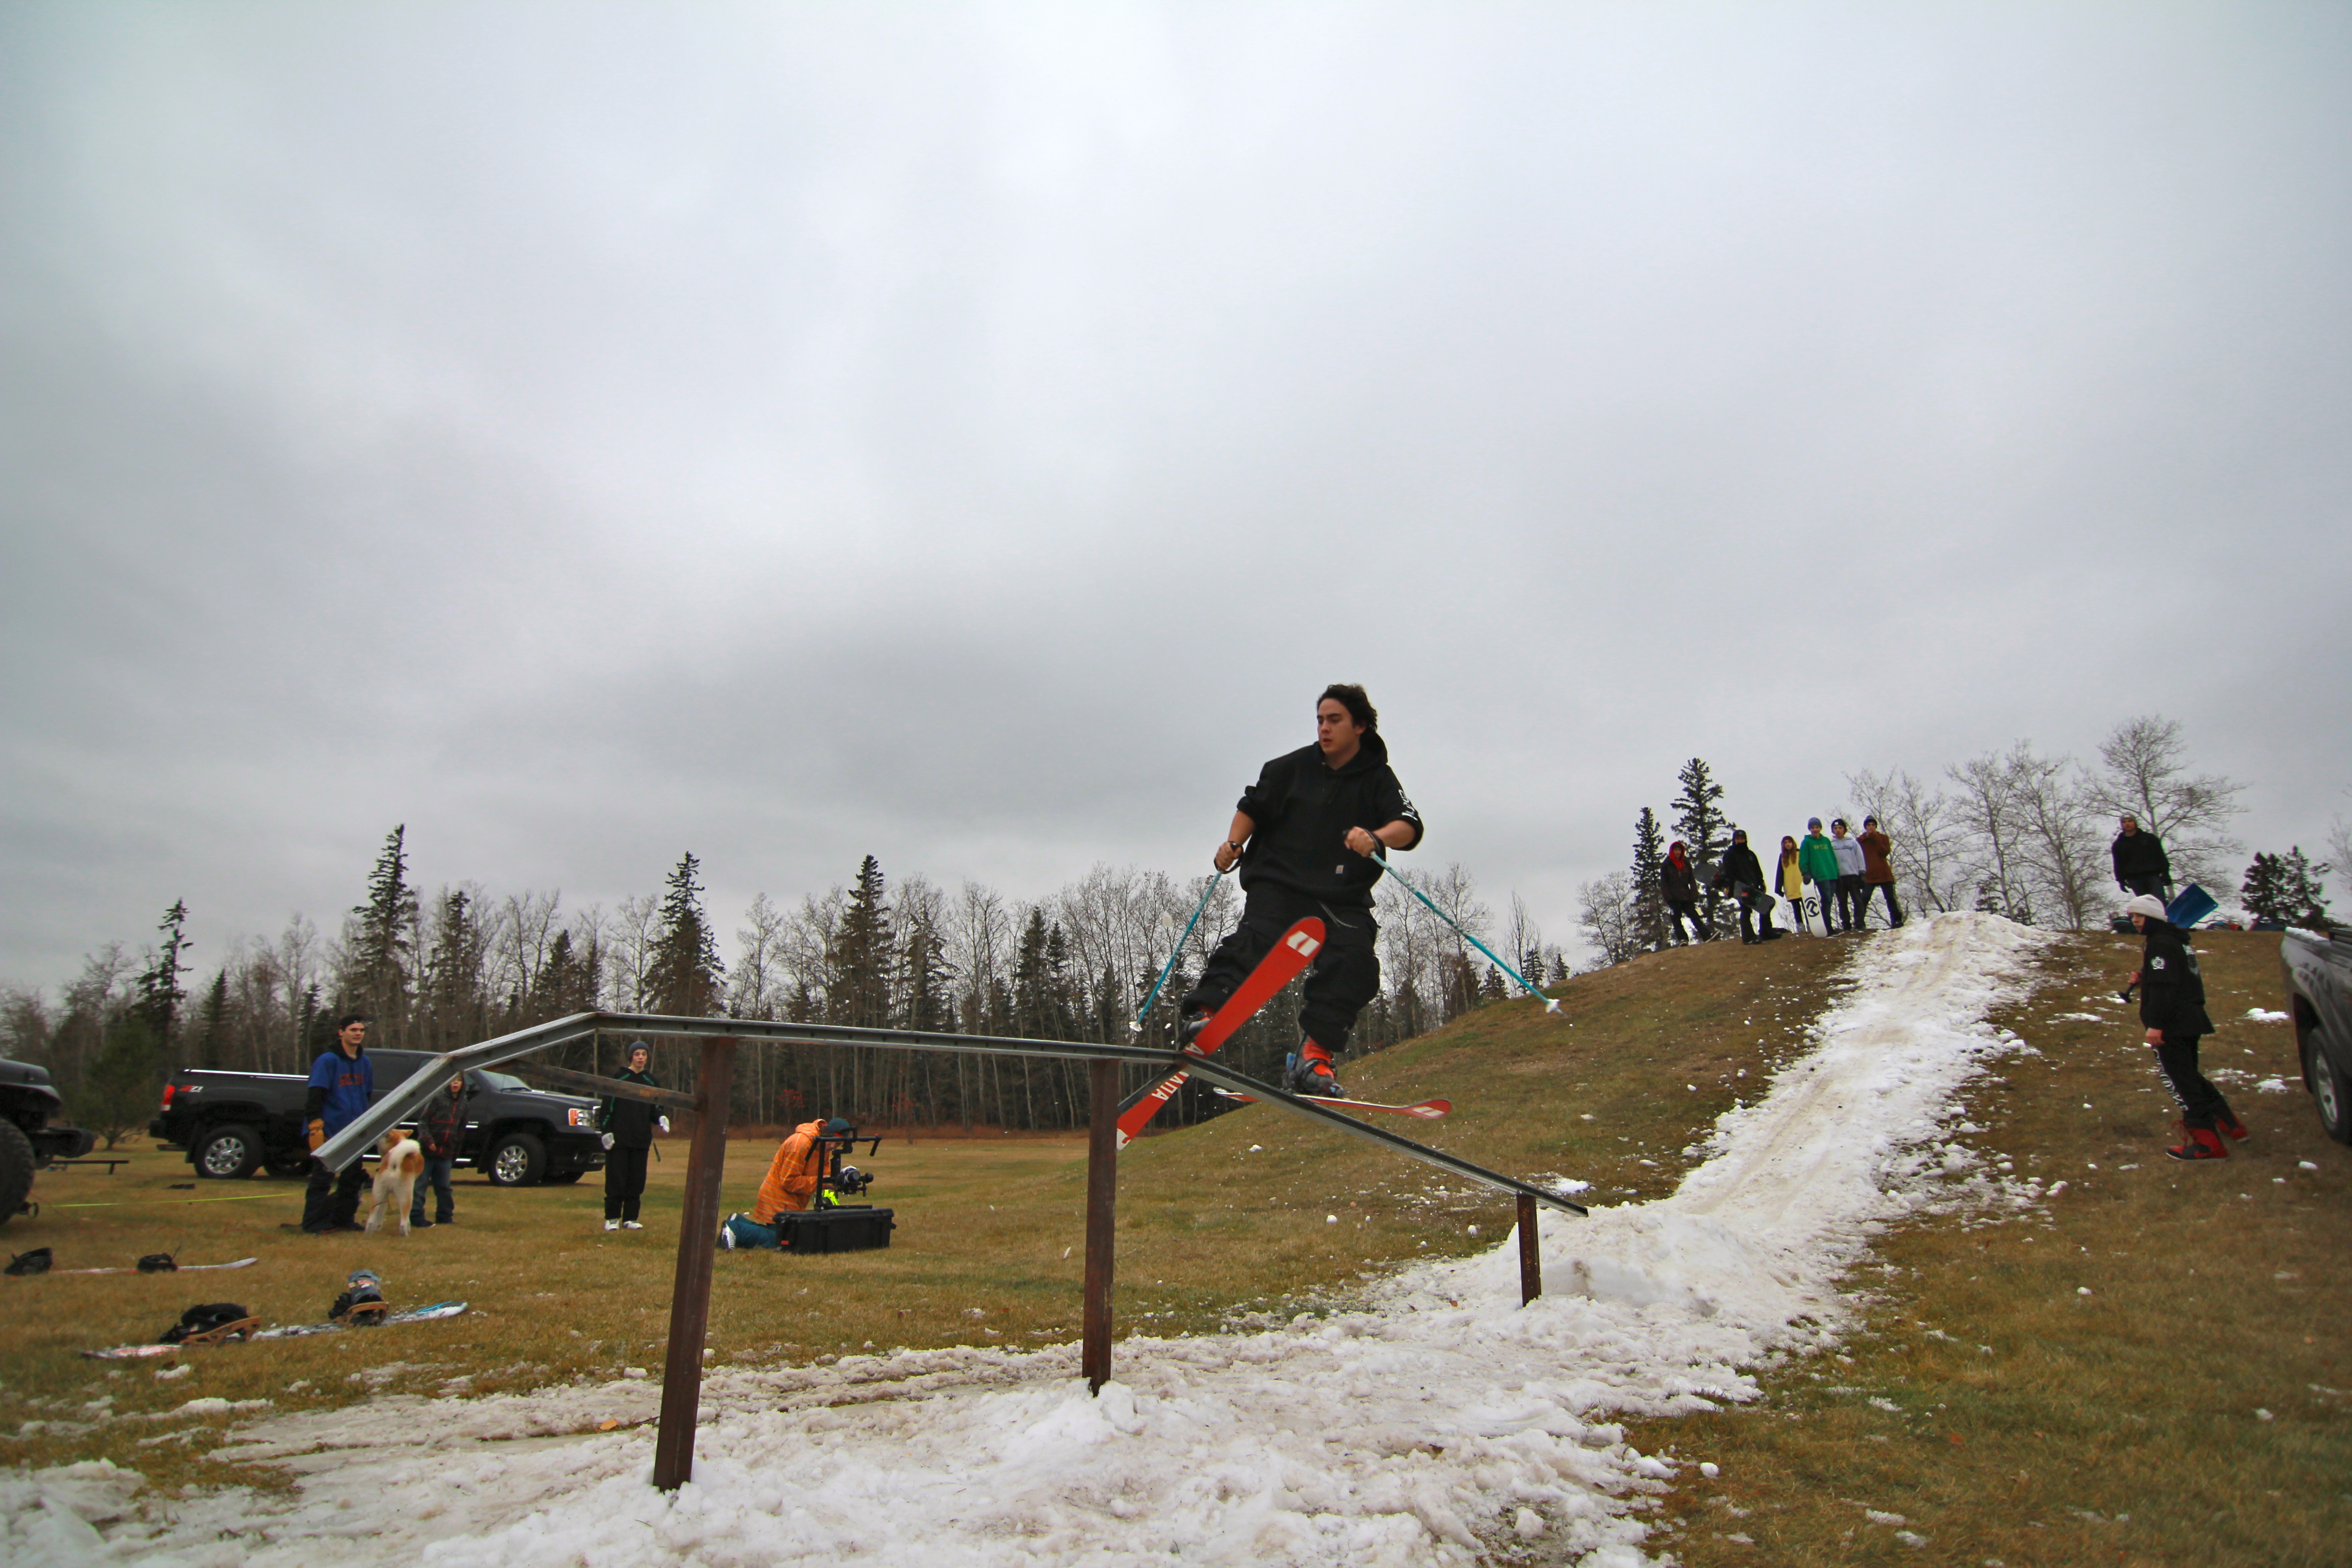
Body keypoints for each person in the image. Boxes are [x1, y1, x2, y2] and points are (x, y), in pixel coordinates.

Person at [1178, 683, 1422, 1098]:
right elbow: (1251, 808)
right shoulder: (1288, 768)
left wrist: (1376, 838)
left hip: (1341, 895)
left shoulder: (1378, 778)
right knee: (1258, 939)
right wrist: (1234, 844)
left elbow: (1409, 827)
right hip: (1280, 881)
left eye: (1335, 720)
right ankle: (1207, 1011)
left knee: (1357, 964)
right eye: (1320, 720)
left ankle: (1314, 1055)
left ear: (1360, 726)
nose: (1324, 729)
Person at [2127, 893, 2244, 1160]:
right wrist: (2146, 976)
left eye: (2140, 916)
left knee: (2182, 1084)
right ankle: (2232, 1126)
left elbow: (2167, 987)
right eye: (2132, 916)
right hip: (2189, 1019)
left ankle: (2207, 1144)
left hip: (2173, 1025)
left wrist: (2156, 1025)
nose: (2135, 921)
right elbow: (2176, 977)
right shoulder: (2175, 941)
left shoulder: (2160, 944)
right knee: (2191, 1077)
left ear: (2154, 918)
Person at [723, 1117, 851, 1250]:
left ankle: (739, 1221)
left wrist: (835, 1180)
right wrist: (823, 1183)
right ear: (826, 1132)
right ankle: (736, 1230)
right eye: (834, 1142)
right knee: (785, 1242)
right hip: (779, 1198)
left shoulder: (823, 1145)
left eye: (838, 1145)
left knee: (787, 1236)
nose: (833, 1147)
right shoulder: (801, 1144)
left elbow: (823, 1173)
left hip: (791, 1201)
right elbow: (789, 1182)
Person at [299, 1014, 373, 1234]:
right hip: (330, 1130)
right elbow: (316, 1094)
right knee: (323, 1179)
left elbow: (366, 1094)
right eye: (353, 1030)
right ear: (341, 1032)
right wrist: (315, 1126)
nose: (358, 1033)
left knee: (352, 1179)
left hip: (354, 1131)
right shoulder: (328, 1060)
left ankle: (344, 1220)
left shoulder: (364, 1062)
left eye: (361, 1030)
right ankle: (313, 1223)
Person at [597, 1042, 669, 1232]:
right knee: (616, 1180)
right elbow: (607, 1108)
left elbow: (655, 1107)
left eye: (644, 1054)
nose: (640, 1057)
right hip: (619, 1139)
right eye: (637, 1054)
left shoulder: (651, 1080)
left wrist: (661, 1117)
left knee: (636, 1181)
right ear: (631, 1057)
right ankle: (612, 1218)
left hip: (641, 1139)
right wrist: (606, 1131)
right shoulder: (620, 1077)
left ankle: (631, 1218)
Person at [408, 1073, 466, 1230]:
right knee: (420, 1186)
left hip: (446, 1154)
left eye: (459, 1081)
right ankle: (416, 1217)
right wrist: (428, 1141)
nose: (455, 1084)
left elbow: (461, 1131)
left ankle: (445, 1217)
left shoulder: (463, 1105)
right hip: (427, 1153)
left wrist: (455, 1152)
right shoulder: (437, 1099)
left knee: (444, 1188)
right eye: (453, 1080)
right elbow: (423, 1122)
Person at [1712, 828, 1780, 944]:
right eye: (1738, 839)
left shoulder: (1750, 854)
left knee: (1764, 905)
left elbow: (1757, 869)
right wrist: (1729, 888)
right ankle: (1748, 937)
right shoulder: (1730, 855)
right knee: (1746, 910)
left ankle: (1766, 932)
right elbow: (1729, 873)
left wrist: (1761, 882)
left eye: (1742, 839)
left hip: (1753, 885)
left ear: (1745, 840)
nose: (1740, 841)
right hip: (1740, 887)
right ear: (1734, 840)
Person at [1856, 815, 1904, 928]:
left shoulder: (1883, 838)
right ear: (1865, 827)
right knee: (1864, 899)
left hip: (1884, 873)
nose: (1871, 827)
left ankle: (1896, 920)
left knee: (1890, 898)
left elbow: (1885, 852)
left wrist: (1875, 838)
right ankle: (1859, 922)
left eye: (1873, 825)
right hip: (1869, 874)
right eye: (1869, 825)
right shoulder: (1861, 841)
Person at [1798, 820, 1842, 936]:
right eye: (1813, 828)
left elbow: (1832, 857)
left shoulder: (1826, 841)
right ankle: (1827, 927)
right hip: (1820, 875)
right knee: (1826, 899)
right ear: (1810, 829)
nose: (1815, 830)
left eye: (1817, 827)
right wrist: (1806, 873)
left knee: (1830, 900)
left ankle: (1828, 926)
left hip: (1831, 873)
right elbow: (1803, 859)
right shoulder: (1806, 842)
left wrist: (1837, 871)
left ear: (1820, 828)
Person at [1661, 840, 1710, 944]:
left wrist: (1694, 894)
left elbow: (1692, 880)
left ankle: (1707, 936)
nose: (1677, 852)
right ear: (1672, 851)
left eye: (1679, 850)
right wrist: (1668, 898)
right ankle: (1683, 940)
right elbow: (1664, 883)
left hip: (1686, 896)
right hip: (1673, 898)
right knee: (1676, 919)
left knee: (1695, 916)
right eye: (1676, 850)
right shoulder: (1667, 864)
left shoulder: (1686, 863)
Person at [2113, 816, 2172, 900]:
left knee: (2159, 901)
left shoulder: (2149, 839)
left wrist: (2166, 873)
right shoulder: (2119, 845)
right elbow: (2118, 864)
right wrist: (2121, 881)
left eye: (2130, 821)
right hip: (2134, 879)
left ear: (2135, 823)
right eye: (2124, 822)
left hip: (2152, 876)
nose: (2127, 824)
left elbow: (2160, 856)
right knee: (2145, 905)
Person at [1828, 818, 1866, 933]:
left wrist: (1862, 872)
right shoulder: (1831, 845)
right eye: (1835, 829)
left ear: (1844, 829)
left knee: (1857, 900)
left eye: (1840, 828)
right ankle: (1846, 924)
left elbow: (1860, 857)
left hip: (1853, 876)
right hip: (1839, 877)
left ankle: (1859, 922)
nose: (1838, 831)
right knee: (1842, 902)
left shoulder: (1852, 843)